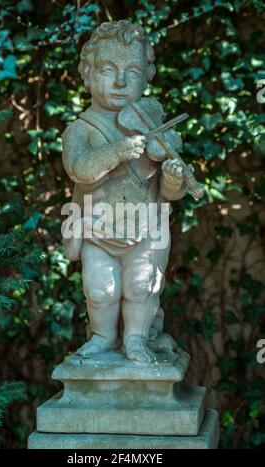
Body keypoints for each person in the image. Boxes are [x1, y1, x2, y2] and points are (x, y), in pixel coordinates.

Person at [62, 20, 188, 362]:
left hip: (147, 228)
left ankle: (136, 338)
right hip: (97, 229)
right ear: (87, 73)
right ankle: (102, 336)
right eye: (107, 69)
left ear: (146, 76)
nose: (119, 81)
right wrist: (116, 152)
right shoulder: (81, 129)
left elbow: (168, 192)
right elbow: (80, 170)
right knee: (100, 291)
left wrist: (175, 178)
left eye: (131, 71)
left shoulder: (151, 128)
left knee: (140, 288)